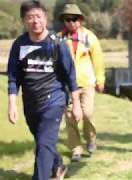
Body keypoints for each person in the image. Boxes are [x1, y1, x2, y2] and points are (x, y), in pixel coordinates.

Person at [7, 1, 82, 179]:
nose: (35, 21)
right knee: (43, 142)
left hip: (54, 101)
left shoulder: (57, 44)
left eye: (38, 16)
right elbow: (13, 77)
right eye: (30, 17)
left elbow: (70, 76)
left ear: (45, 18)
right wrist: (12, 105)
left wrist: (76, 104)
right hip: (30, 103)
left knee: (43, 143)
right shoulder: (20, 44)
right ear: (24, 21)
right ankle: (58, 166)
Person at [58, 3, 105, 162]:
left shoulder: (90, 37)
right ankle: (76, 149)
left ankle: (91, 139)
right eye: (67, 19)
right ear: (64, 21)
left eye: (74, 19)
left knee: (87, 113)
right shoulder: (59, 39)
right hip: (66, 86)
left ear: (81, 20)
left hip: (86, 84)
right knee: (70, 117)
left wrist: (100, 79)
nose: (71, 22)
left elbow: (98, 60)